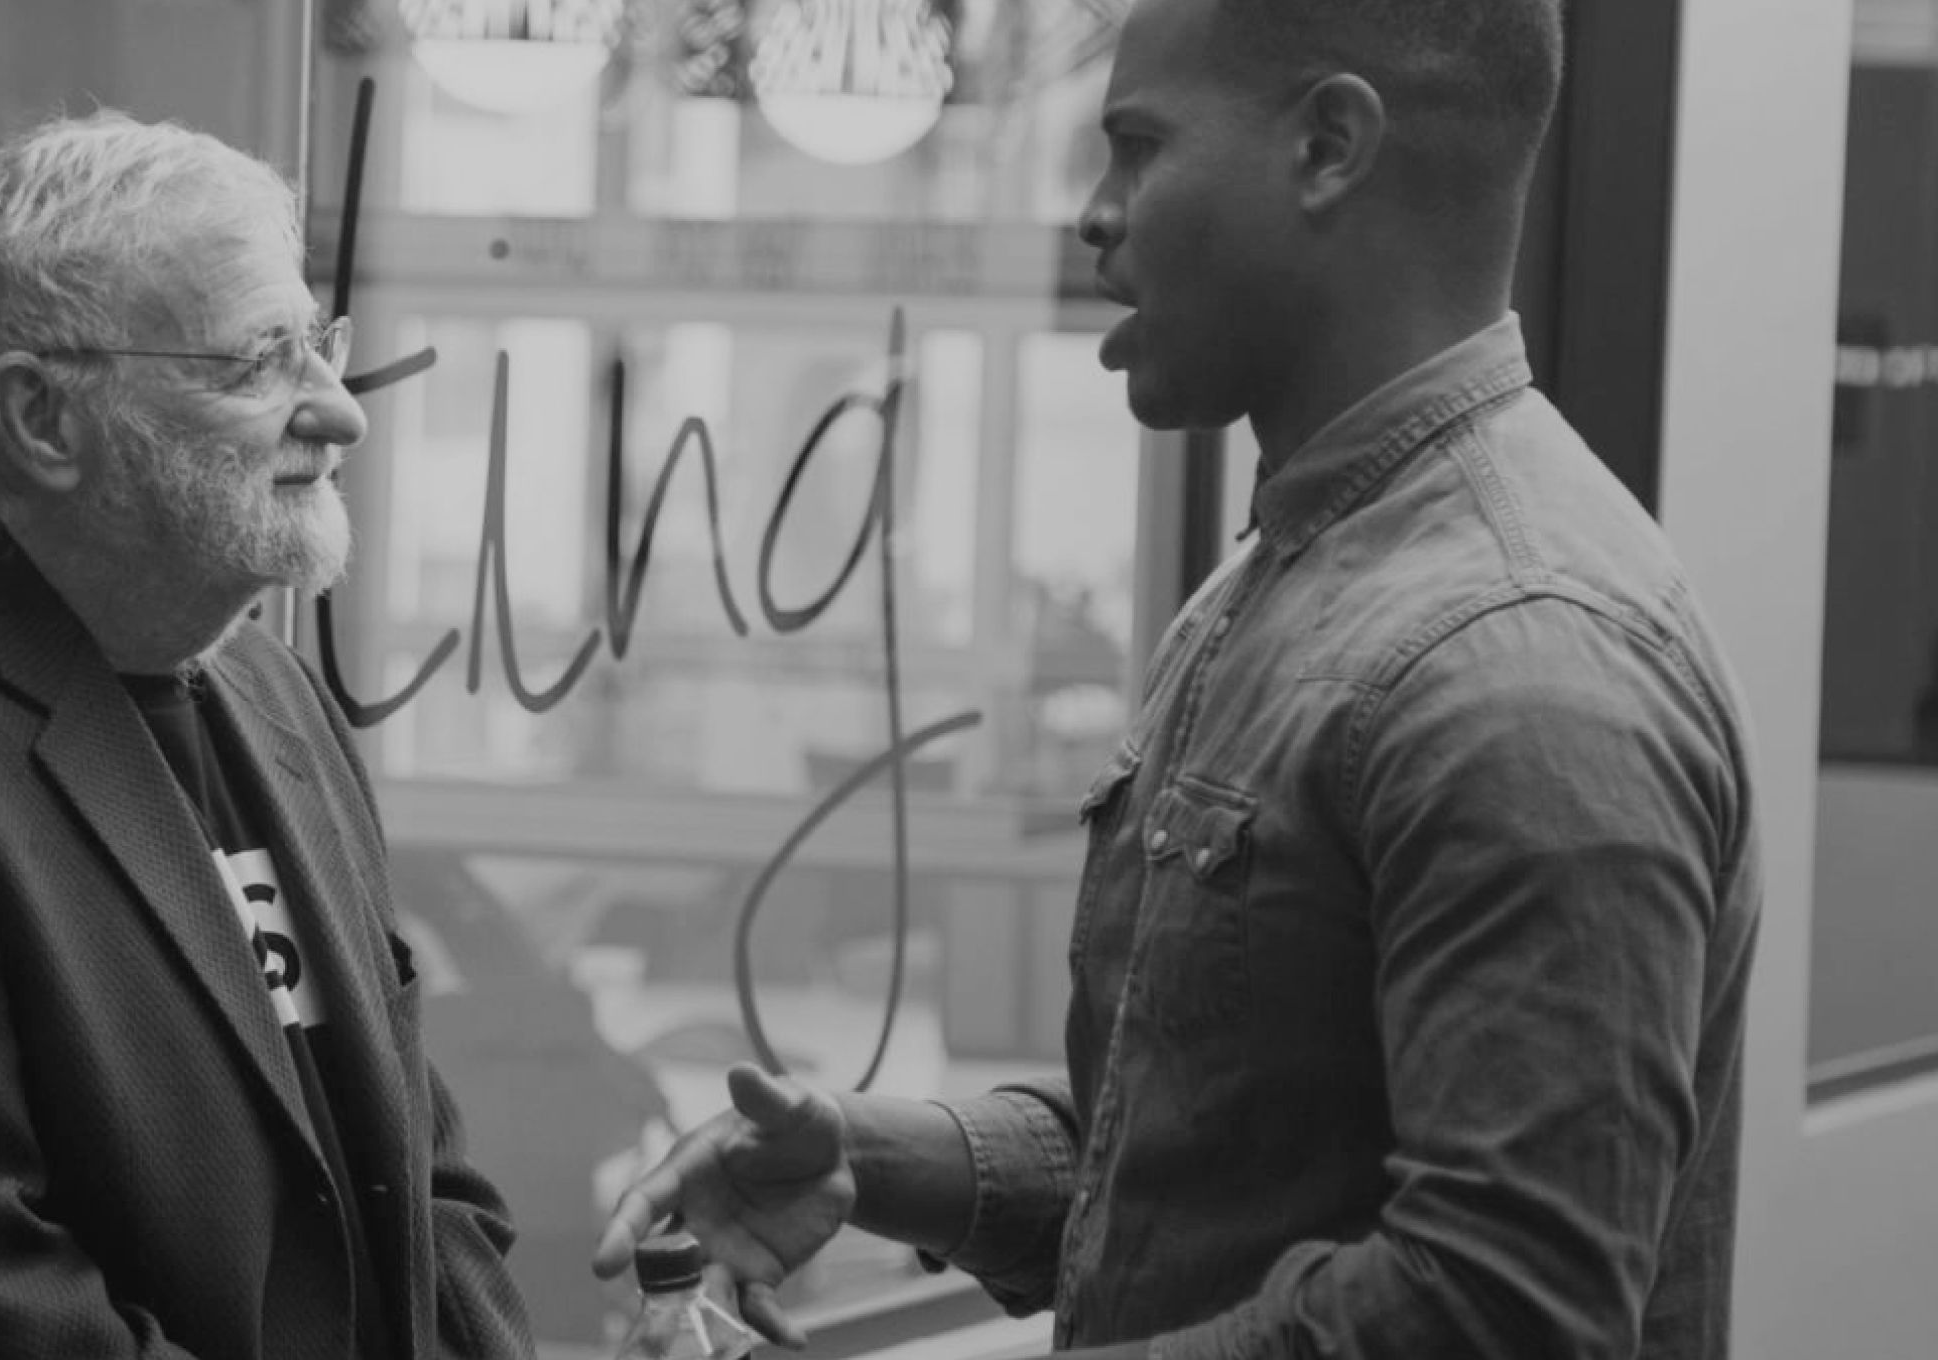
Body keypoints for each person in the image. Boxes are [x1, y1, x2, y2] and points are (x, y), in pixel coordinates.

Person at [594, 1, 1759, 1357]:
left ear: (1328, 146)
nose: (1095, 214)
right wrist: (875, 1157)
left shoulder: (1518, 659)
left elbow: (1497, 1314)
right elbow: (1206, 1154)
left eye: (1138, 148)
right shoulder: (1295, 575)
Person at [0, 113, 530, 1360]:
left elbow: (423, 1187)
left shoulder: (279, 695)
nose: (338, 412)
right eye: (259, 362)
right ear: (44, 416)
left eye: (319, 345)